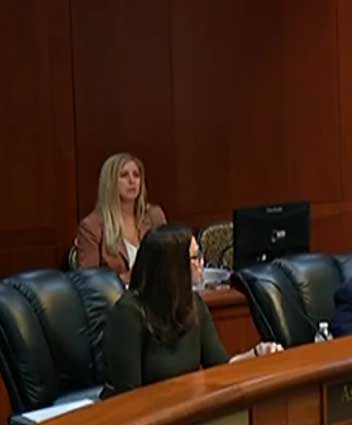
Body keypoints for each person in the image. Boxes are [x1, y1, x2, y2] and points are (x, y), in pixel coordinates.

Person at [101, 225, 282, 398]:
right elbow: (128, 395)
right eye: (195, 257)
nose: (201, 263)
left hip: (182, 408)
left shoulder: (193, 303)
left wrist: (258, 354)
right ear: (173, 266)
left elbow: (219, 366)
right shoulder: (128, 313)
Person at [75, 153, 167, 285]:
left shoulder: (154, 216)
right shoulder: (92, 226)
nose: (132, 181)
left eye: (136, 175)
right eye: (124, 175)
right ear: (110, 183)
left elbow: (169, 261)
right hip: (116, 300)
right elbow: (88, 281)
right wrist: (125, 278)